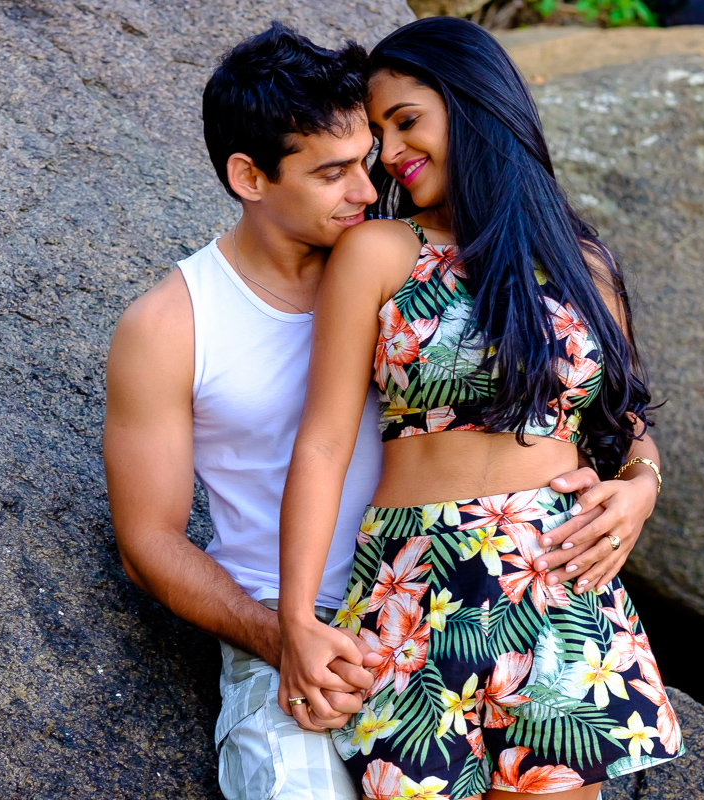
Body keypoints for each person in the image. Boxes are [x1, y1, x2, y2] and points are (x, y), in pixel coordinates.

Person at [104, 21, 662, 800]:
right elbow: (157, 537)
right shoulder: (177, 323)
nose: (372, 185)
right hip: (359, 604)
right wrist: (286, 633)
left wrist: (641, 484)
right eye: (337, 171)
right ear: (249, 177)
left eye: (374, 153)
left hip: (547, 583)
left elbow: (614, 410)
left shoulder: (560, 260)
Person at [275, 17, 682, 800]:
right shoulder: (380, 252)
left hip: (558, 585)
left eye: (406, 121)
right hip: (417, 590)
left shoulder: (581, 263)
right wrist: (297, 620)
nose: (391, 152)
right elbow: (322, 445)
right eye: (379, 136)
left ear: (472, 103)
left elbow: (626, 423)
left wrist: (640, 487)